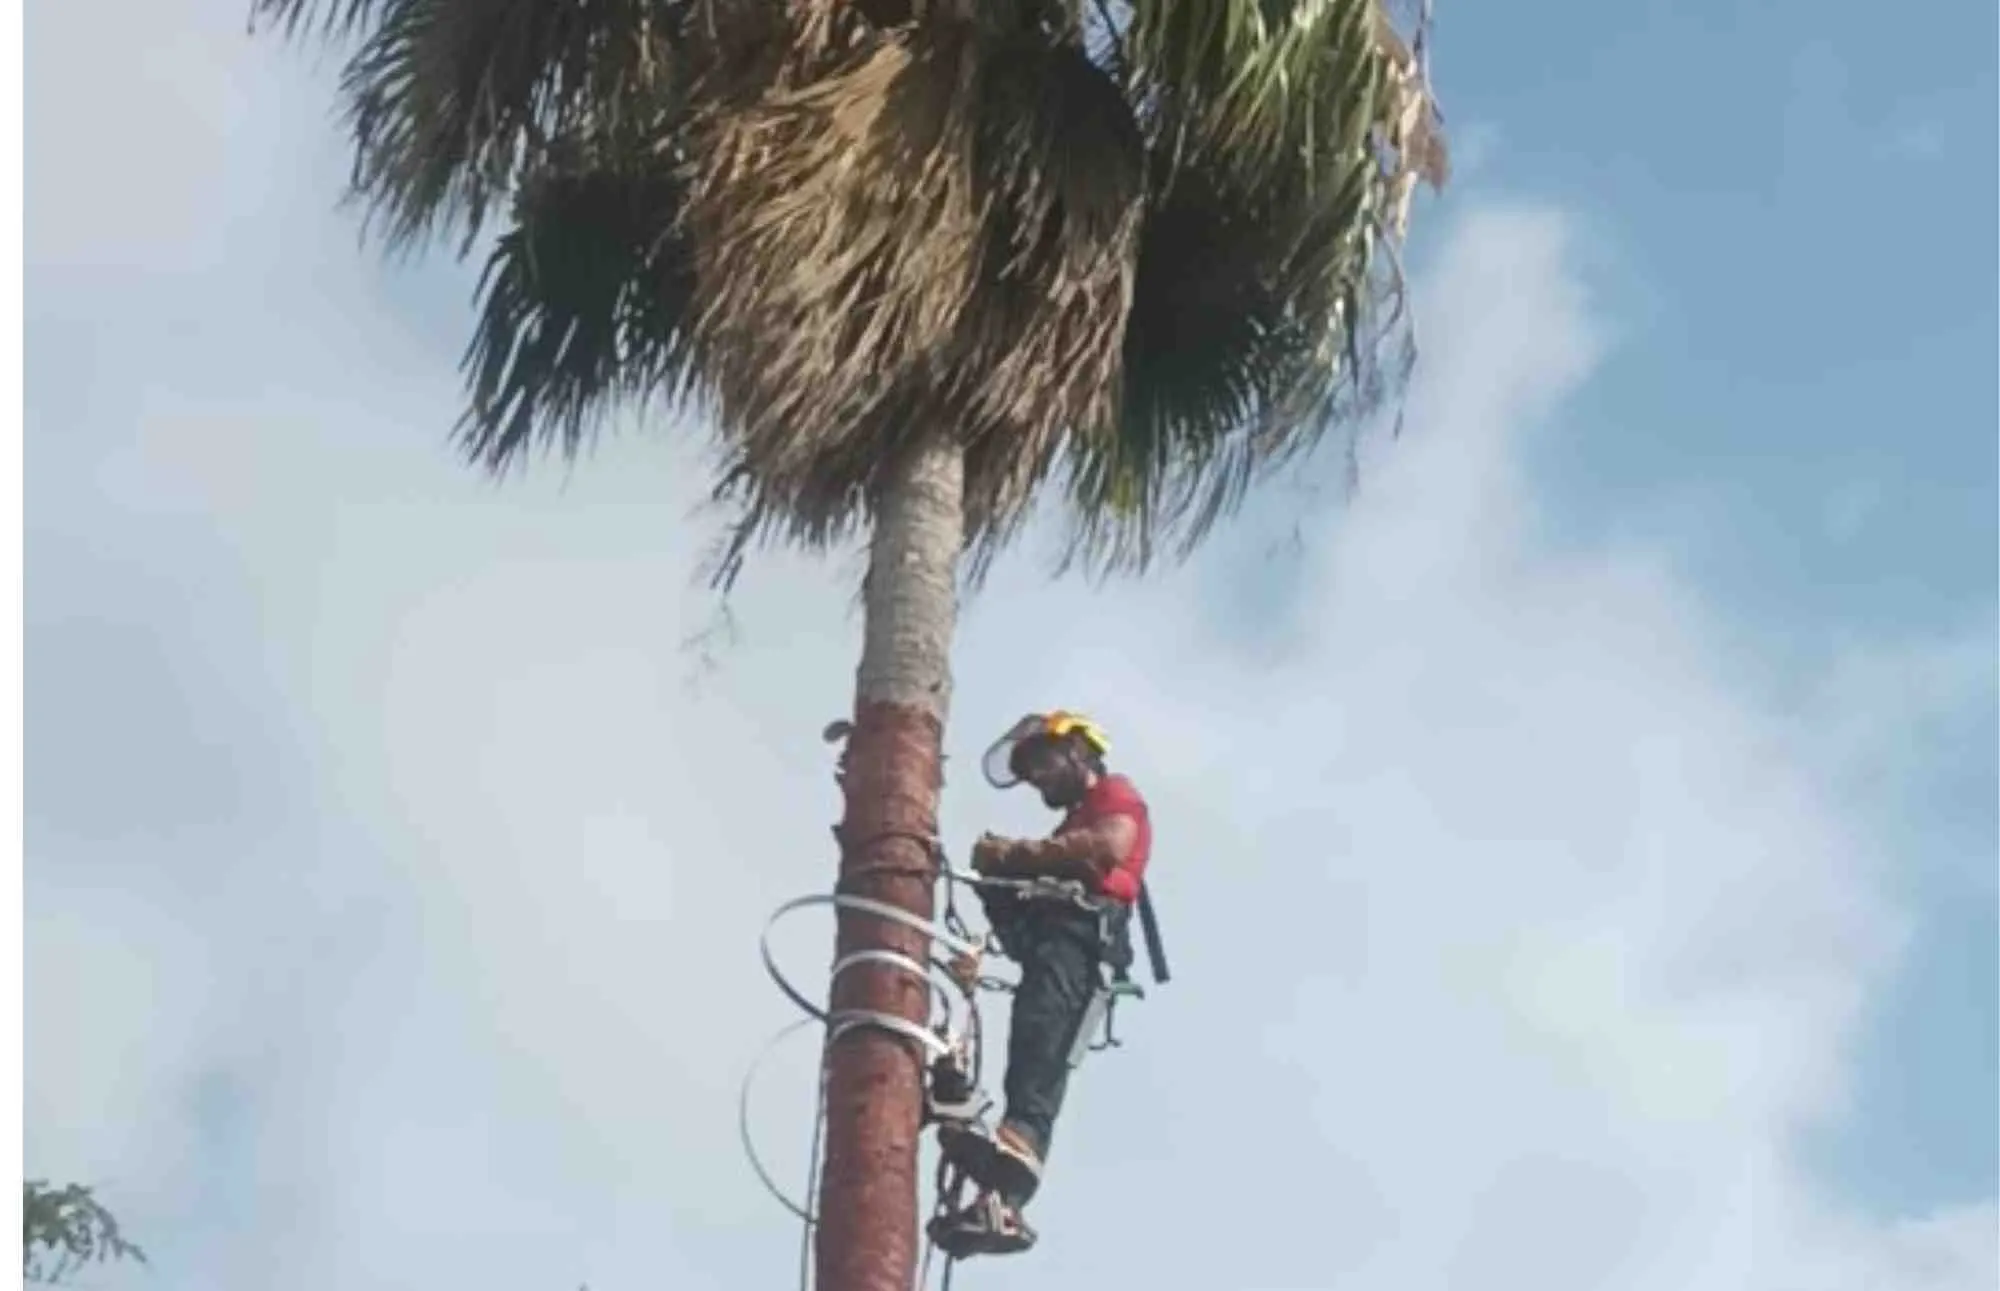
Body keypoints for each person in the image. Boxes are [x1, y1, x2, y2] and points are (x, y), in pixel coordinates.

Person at [927, 711, 1152, 1258]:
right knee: (1030, 1050)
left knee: (1039, 1061)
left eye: (1042, 763)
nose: (1036, 779)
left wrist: (1015, 856)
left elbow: (1108, 847)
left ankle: (1011, 1187)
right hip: (1054, 951)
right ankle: (995, 1187)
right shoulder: (1069, 832)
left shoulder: (1115, 797)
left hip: (1082, 948)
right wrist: (996, 885)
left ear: (1079, 752)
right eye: (1028, 773)